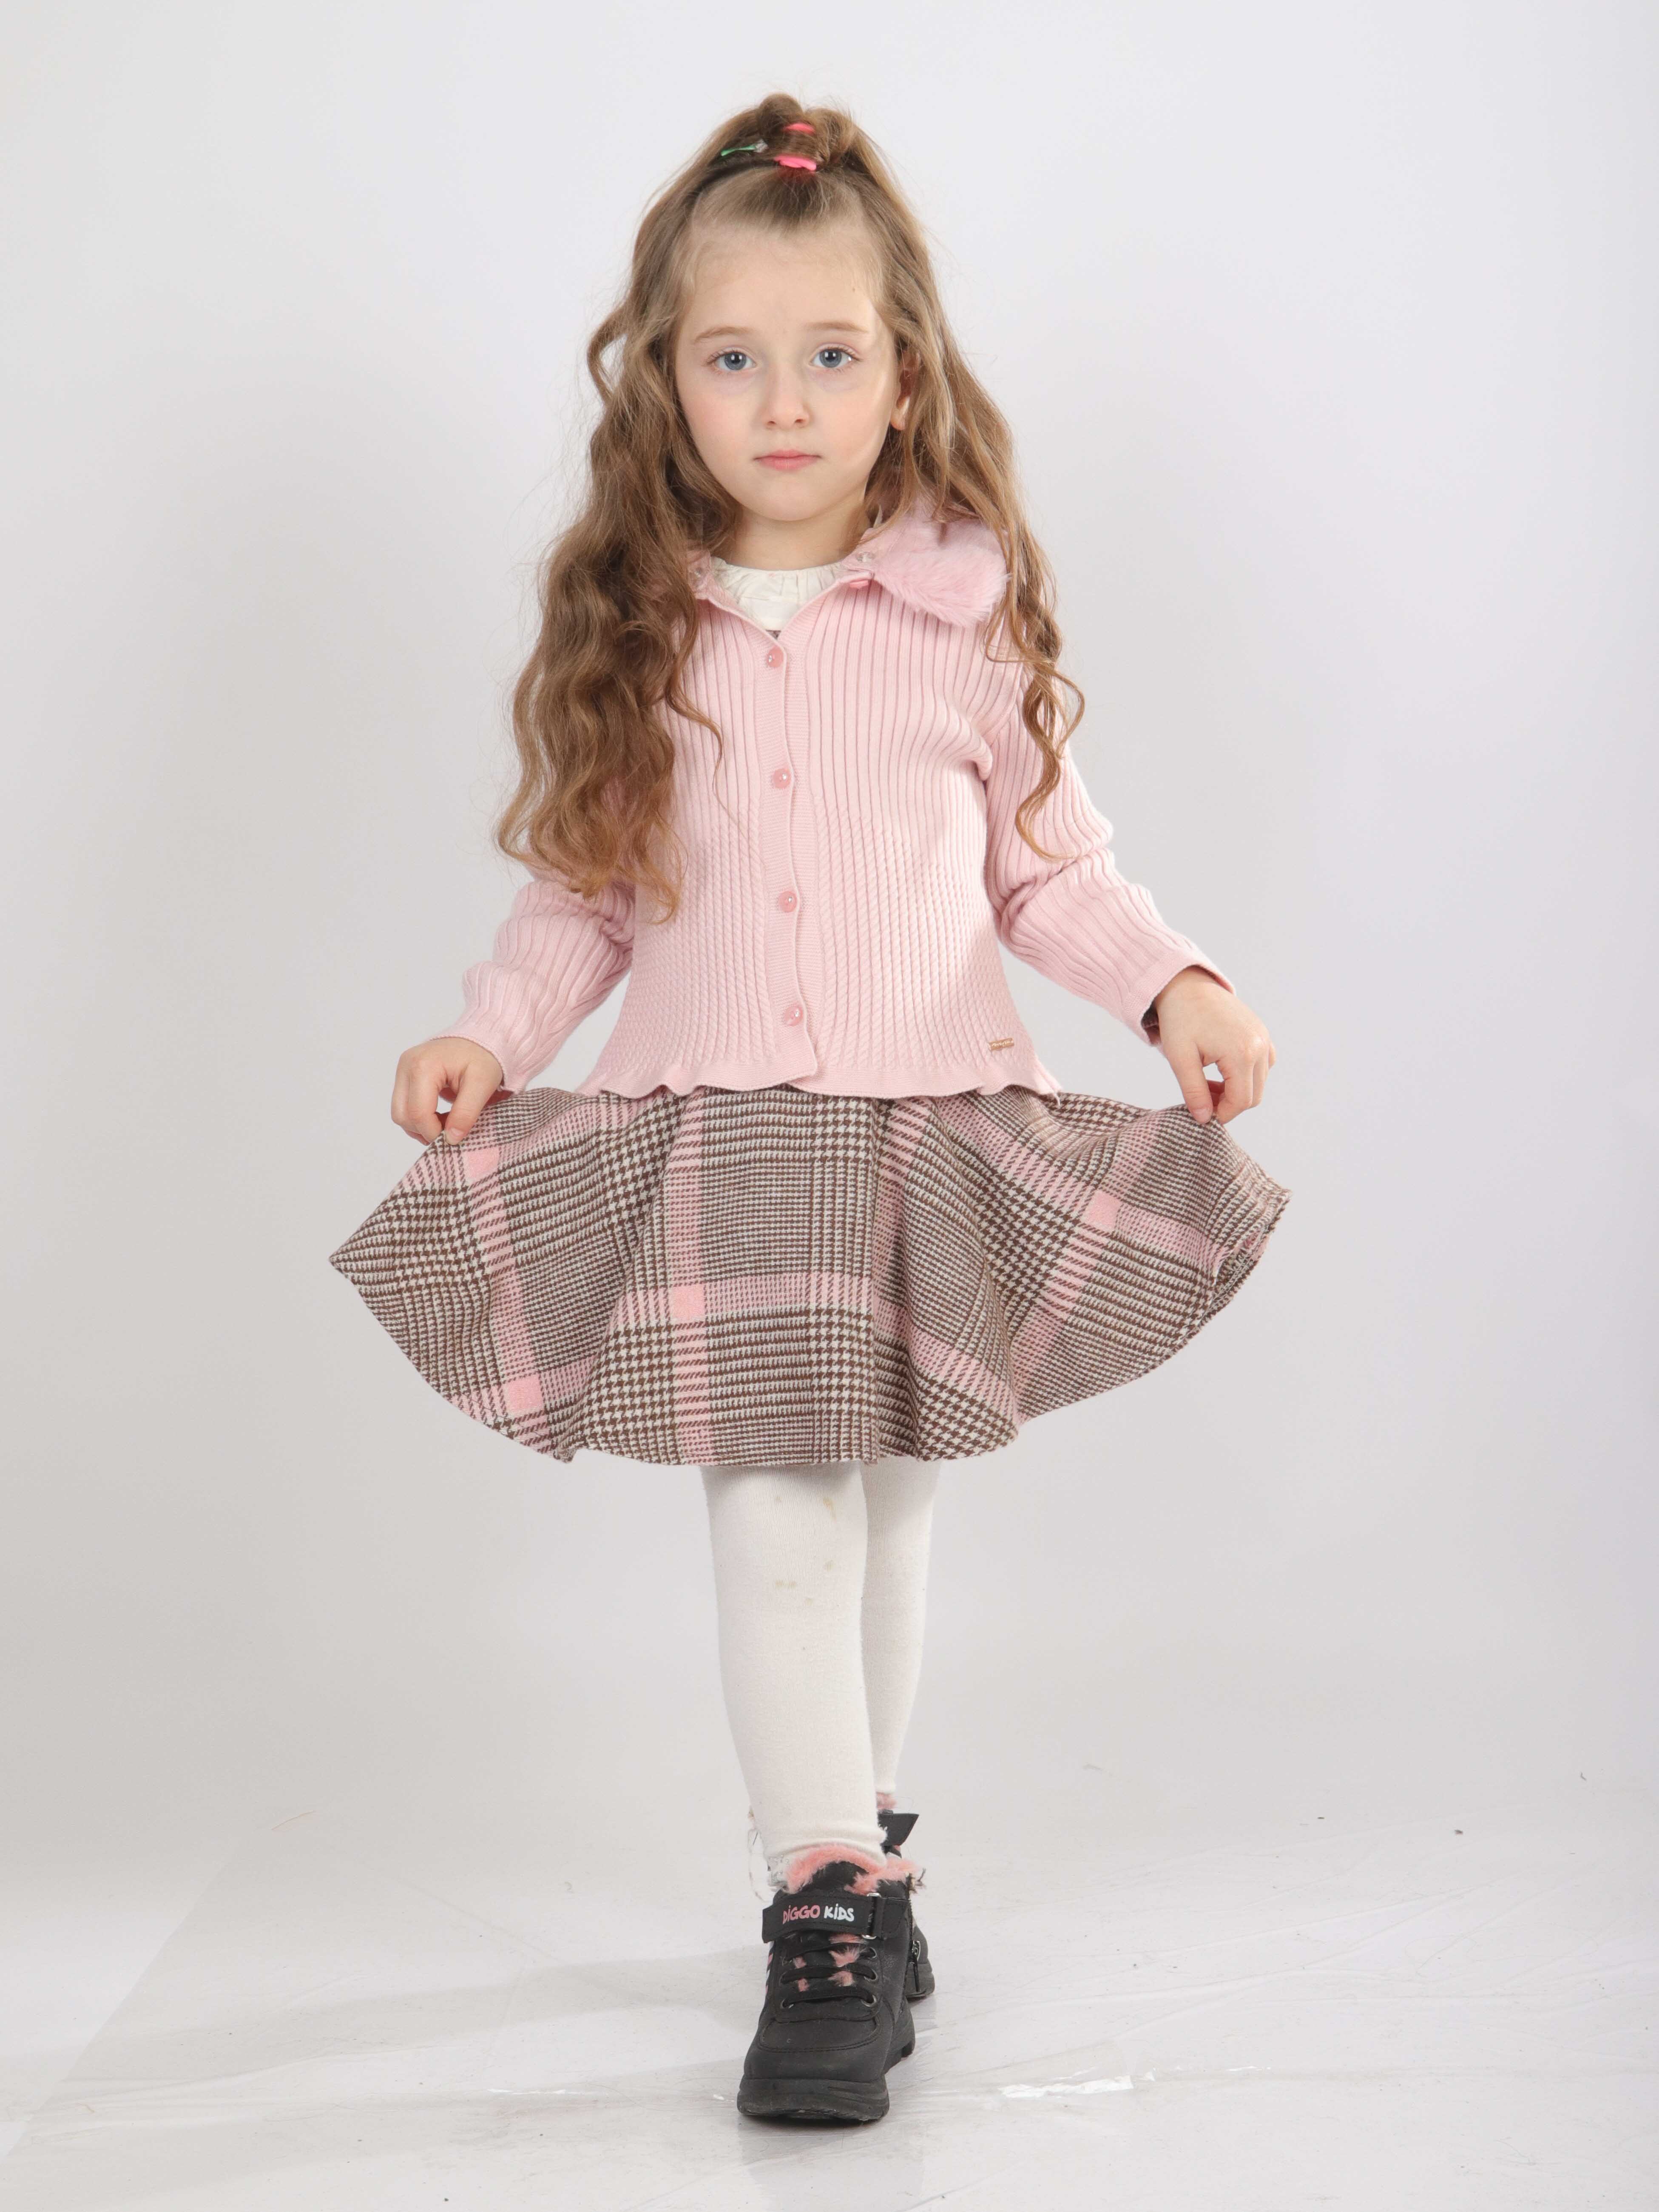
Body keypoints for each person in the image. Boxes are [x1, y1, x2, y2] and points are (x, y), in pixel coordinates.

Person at [329, 95, 1291, 2127]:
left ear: (903, 375)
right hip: (728, 1142)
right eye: (732, 357)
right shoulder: (641, 621)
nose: (784, 402)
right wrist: (491, 1031)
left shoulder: (959, 614)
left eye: (830, 354)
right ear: (662, 382)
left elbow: (1049, 870)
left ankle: (870, 1841)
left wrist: (1173, 980)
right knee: (776, 1504)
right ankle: (823, 1900)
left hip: (926, 1125)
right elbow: (586, 893)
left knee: (887, 1507)